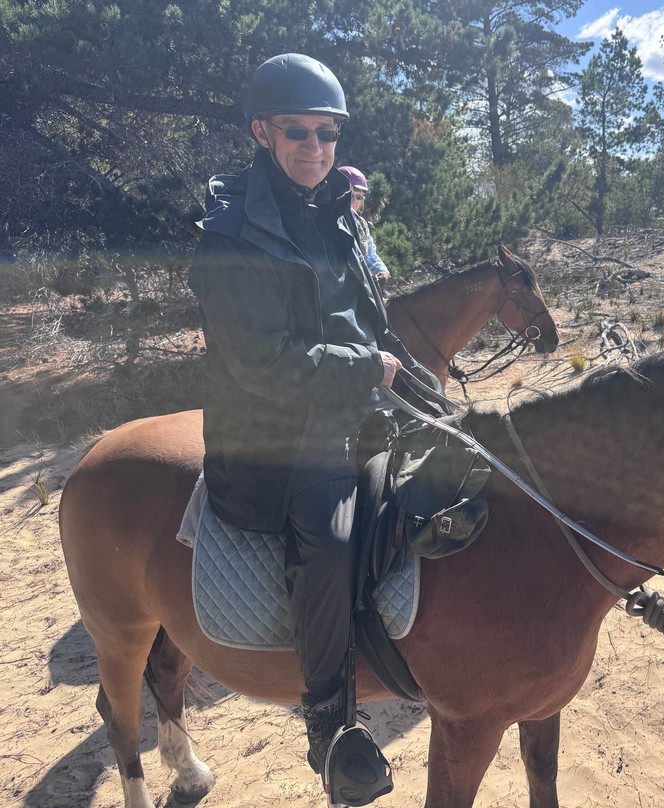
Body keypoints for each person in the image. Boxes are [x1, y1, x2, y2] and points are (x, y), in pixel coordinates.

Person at [187, 53, 442, 806]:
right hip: (274, 425)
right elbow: (262, 360)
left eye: (327, 132)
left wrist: (403, 372)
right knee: (330, 536)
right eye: (298, 131)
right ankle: (331, 721)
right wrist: (367, 370)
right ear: (263, 132)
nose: (315, 146)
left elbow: (368, 316)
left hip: (353, 395)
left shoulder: (339, 213)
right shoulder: (228, 235)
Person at [338, 166, 390, 296]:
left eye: (359, 197)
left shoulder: (361, 224)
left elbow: (370, 256)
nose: (354, 201)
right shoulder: (326, 220)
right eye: (350, 195)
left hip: (359, 287)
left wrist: (383, 272)